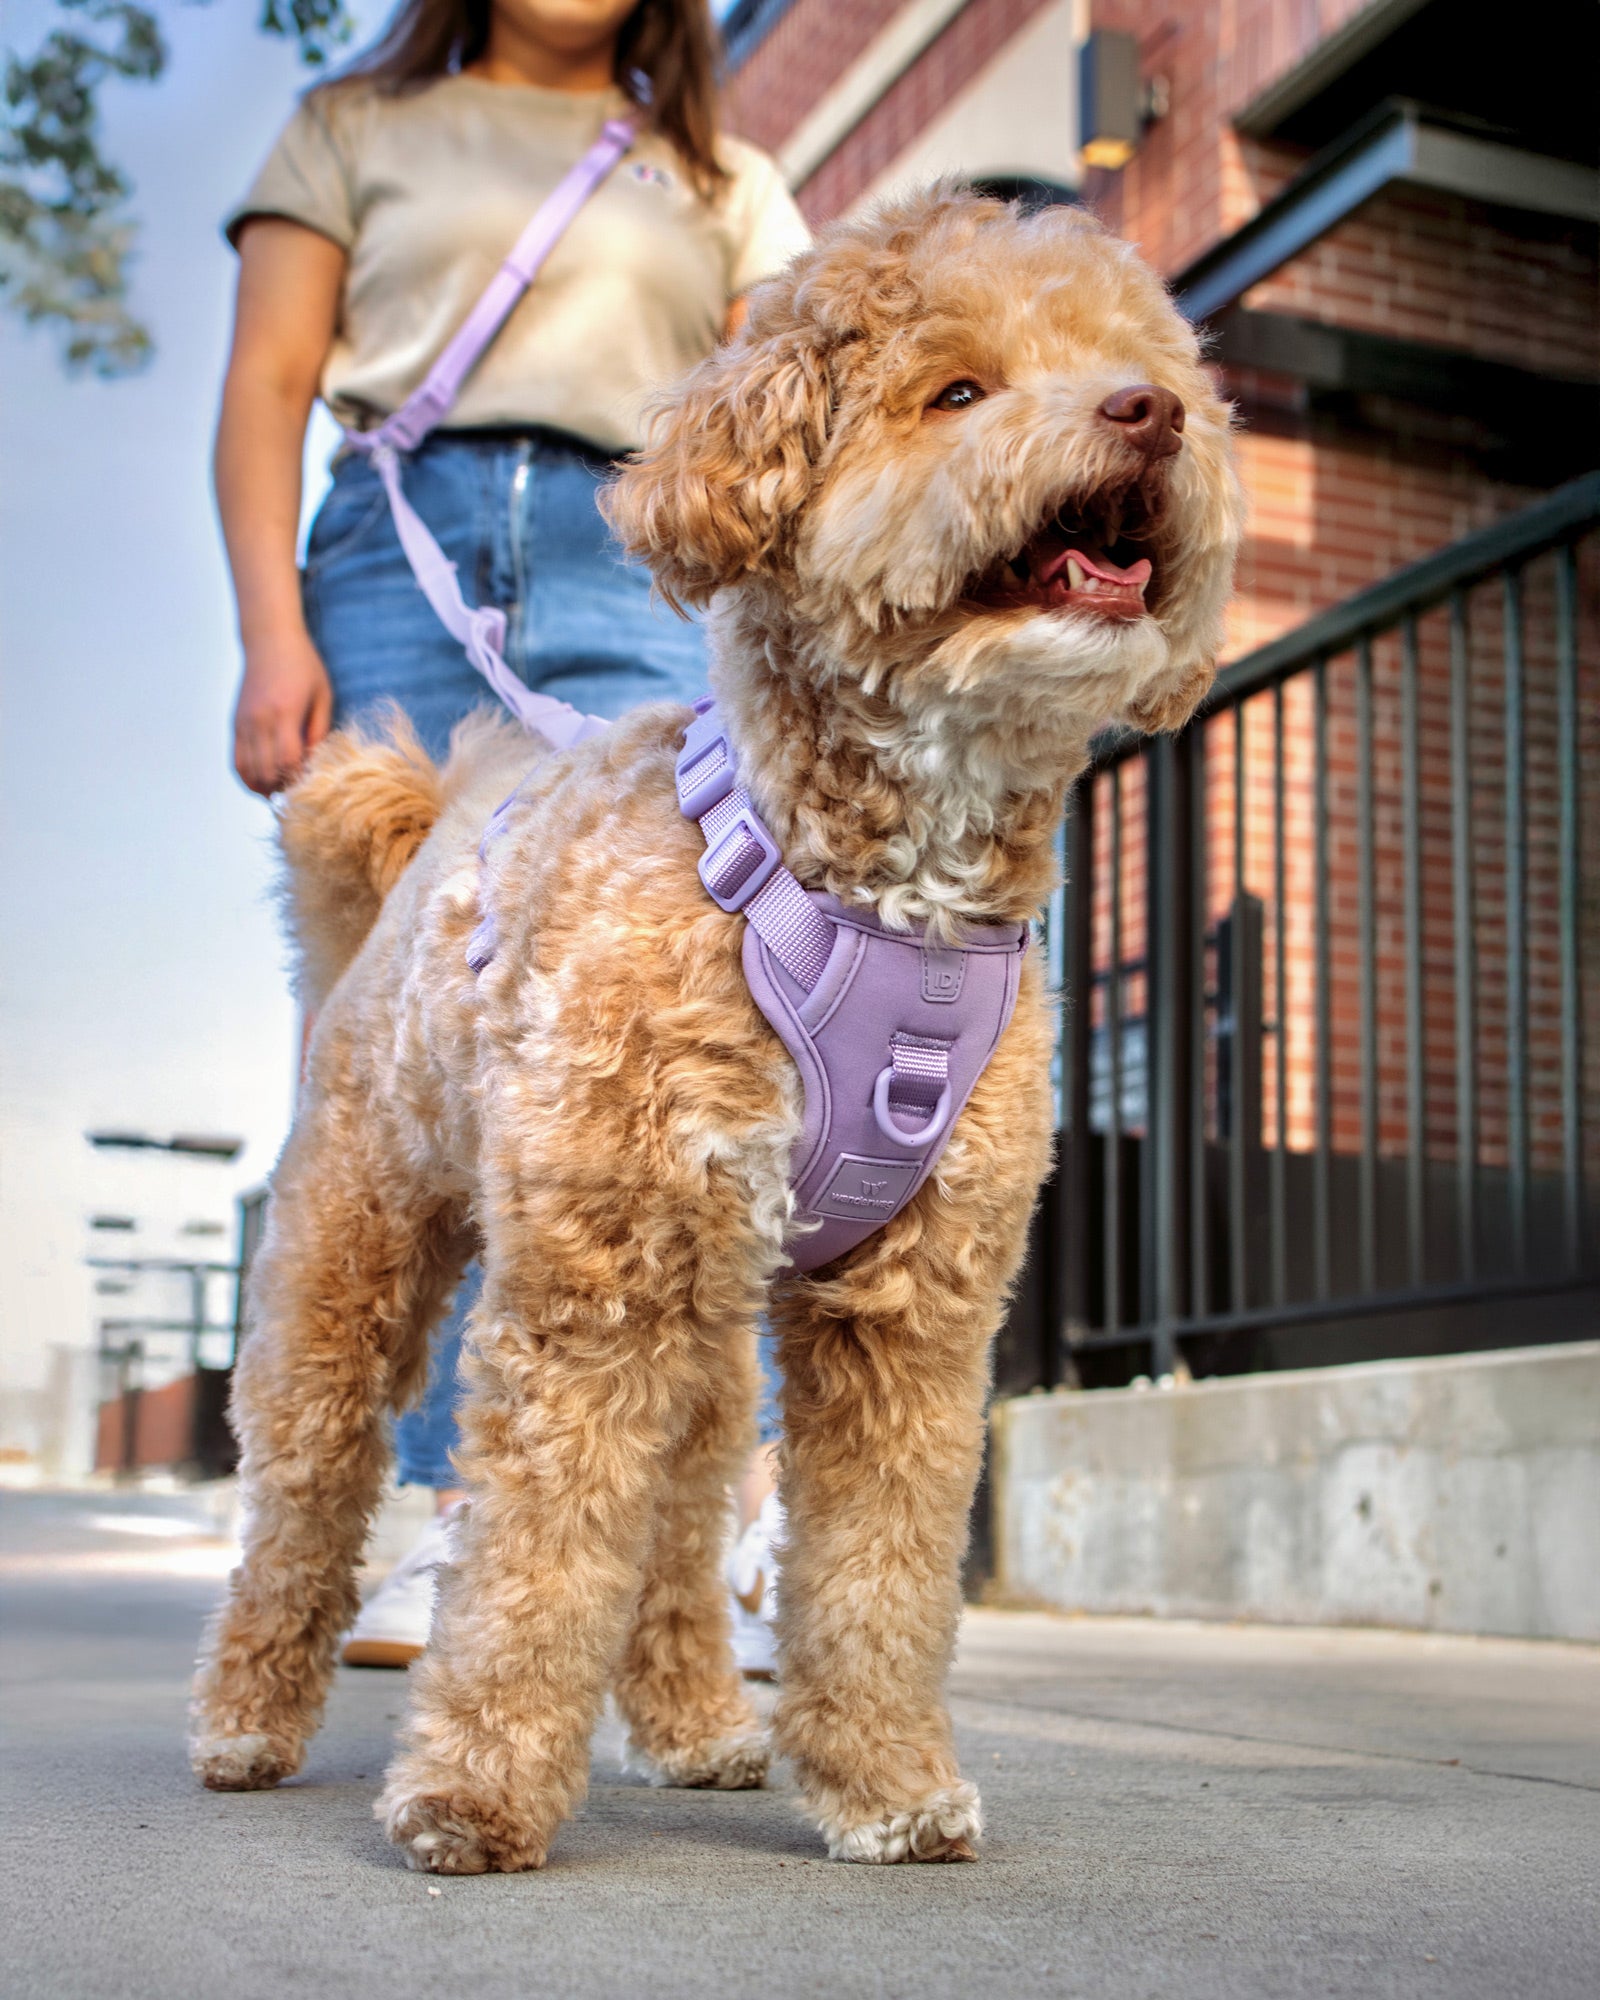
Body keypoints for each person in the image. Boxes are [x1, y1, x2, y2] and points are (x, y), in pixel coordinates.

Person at [216, 0, 805, 1669]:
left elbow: (790, 415)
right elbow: (266, 389)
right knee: (395, 1050)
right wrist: (274, 633)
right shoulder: (352, 129)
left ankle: (720, 1537)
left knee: (690, 1045)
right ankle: (436, 1524)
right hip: (403, 547)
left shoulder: (730, 178)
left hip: (646, 561)